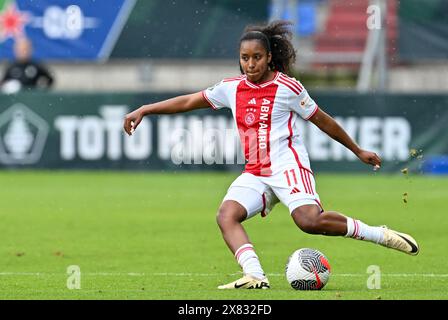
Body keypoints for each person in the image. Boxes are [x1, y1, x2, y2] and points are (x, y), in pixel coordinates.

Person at [123, 20, 419, 290]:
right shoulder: (231, 88)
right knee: (227, 215)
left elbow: (321, 119)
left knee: (309, 222)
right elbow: (189, 100)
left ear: (269, 58)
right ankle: (255, 275)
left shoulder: (287, 87)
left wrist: (357, 150)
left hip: (288, 165)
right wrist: (145, 109)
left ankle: (379, 234)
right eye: (245, 58)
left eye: (256, 57)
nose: (250, 64)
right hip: (256, 172)